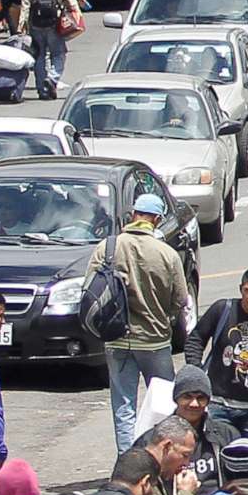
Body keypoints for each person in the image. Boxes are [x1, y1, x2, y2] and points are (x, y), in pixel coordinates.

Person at [106, 190, 193, 452]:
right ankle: (164, 454)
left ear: (133, 215)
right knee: (166, 402)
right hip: (154, 339)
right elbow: (181, 298)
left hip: (117, 338)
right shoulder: (166, 253)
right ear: (156, 219)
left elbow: (90, 289)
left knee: (123, 404)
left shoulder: (109, 247)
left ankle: (127, 458)